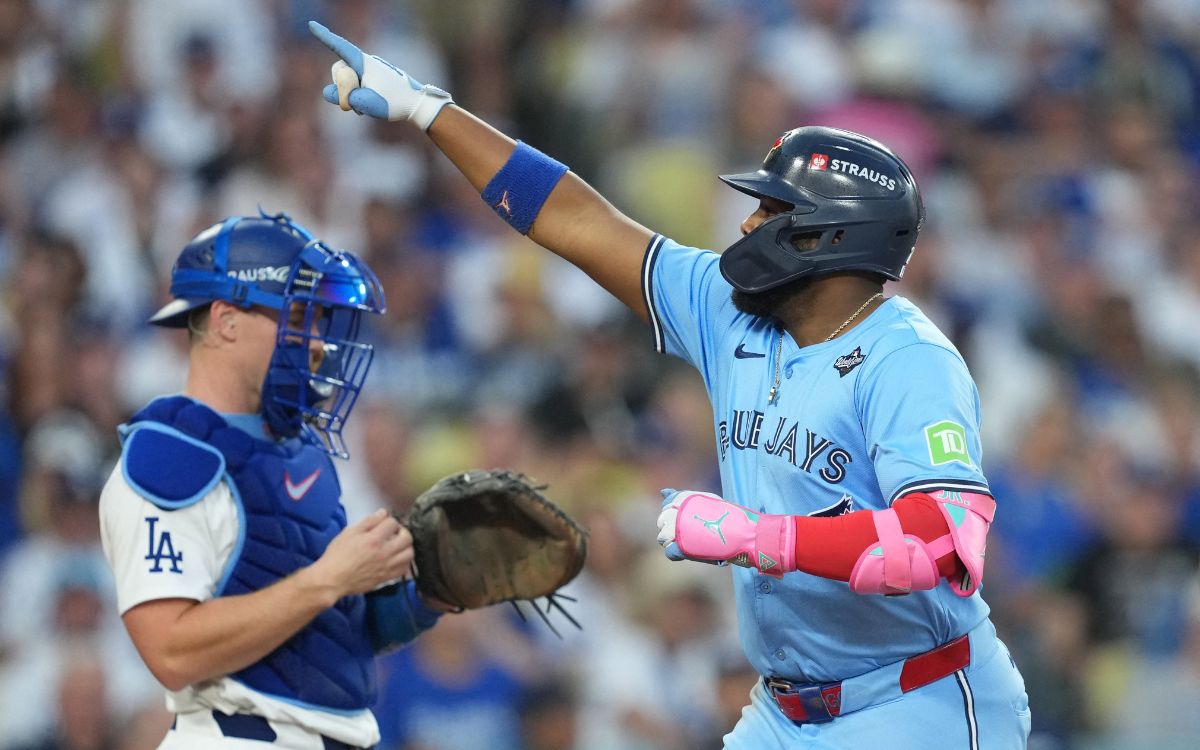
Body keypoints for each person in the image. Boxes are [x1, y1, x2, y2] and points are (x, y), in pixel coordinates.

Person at [309, 21, 1033, 749]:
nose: (748, 222)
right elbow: (575, 218)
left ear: (831, 236)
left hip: (918, 700)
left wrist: (755, 538)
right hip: (789, 709)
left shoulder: (910, 361)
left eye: (773, 211)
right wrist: (430, 111)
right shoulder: (731, 313)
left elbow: (942, 545)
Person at [98, 210, 445, 750]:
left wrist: (432, 592)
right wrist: (327, 579)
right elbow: (171, 650)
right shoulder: (169, 456)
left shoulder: (302, 451)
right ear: (226, 319)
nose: (315, 342)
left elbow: (329, 636)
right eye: (299, 317)